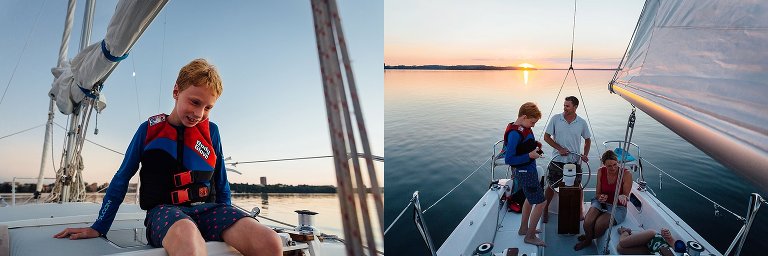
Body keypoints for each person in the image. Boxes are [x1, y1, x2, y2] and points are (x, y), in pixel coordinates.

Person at [54, 59, 282, 256]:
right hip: (164, 214)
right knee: (188, 237)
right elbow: (122, 178)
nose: (199, 114)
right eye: (194, 102)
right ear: (176, 92)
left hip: (207, 211)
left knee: (270, 241)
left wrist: (227, 219)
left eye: (208, 107)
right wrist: (100, 226)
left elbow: (221, 183)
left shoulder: (212, 132)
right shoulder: (148, 130)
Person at [542, 96, 591, 223]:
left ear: (575, 107)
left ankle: (580, 210)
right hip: (557, 161)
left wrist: (585, 154)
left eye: (567, 106)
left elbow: (587, 140)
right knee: (551, 186)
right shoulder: (555, 119)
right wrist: (559, 148)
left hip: (574, 161)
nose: (565, 108)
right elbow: (546, 137)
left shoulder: (581, 122)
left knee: (578, 186)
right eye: (564, 105)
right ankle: (545, 209)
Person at [504, 102, 546, 247]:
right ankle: (530, 236)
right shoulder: (515, 134)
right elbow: (509, 159)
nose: (533, 125)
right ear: (524, 117)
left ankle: (523, 229)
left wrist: (535, 146)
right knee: (541, 203)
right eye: (532, 122)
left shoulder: (523, 128)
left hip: (529, 169)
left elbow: (524, 144)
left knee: (529, 198)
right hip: (525, 172)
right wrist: (530, 155)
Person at [574, 150, 632, 251]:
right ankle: (589, 237)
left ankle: (588, 239)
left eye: (615, 164)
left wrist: (623, 196)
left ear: (618, 162)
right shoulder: (601, 171)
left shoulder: (626, 174)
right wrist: (600, 197)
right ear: (604, 164)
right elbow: (597, 193)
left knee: (599, 225)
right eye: (609, 166)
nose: (613, 168)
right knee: (587, 221)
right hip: (601, 202)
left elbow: (626, 195)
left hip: (617, 206)